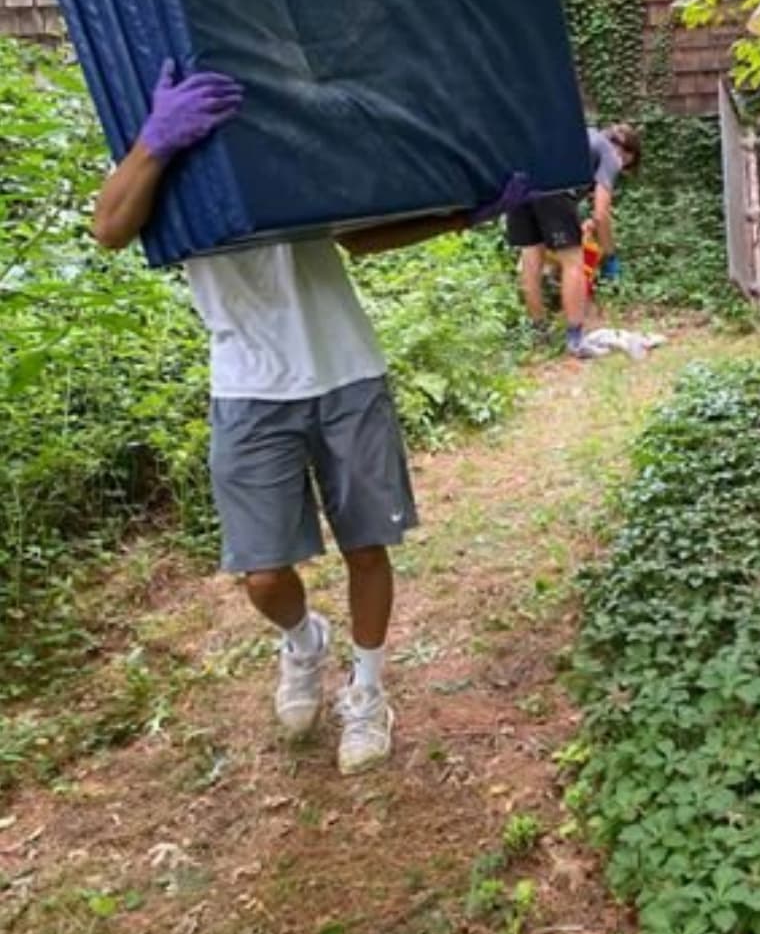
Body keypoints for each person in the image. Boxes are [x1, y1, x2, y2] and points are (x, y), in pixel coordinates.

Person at [92, 59, 529, 775]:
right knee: (262, 573)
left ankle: (367, 691)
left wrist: (465, 213)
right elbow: (109, 228)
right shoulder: (164, 144)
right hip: (246, 386)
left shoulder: (297, 124)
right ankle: (302, 641)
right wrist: (157, 140)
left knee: (367, 545)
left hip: (346, 371)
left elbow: (357, 234)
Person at [505, 122, 641, 359]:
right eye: (626, 165)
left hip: (519, 182)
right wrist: (610, 254)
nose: (621, 169)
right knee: (573, 263)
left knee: (530, 258)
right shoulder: (610, 154)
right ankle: (576, 341)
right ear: (625, 153)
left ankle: (539, 333)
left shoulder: (582, 136)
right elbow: (601, 214)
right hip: (554, 189)